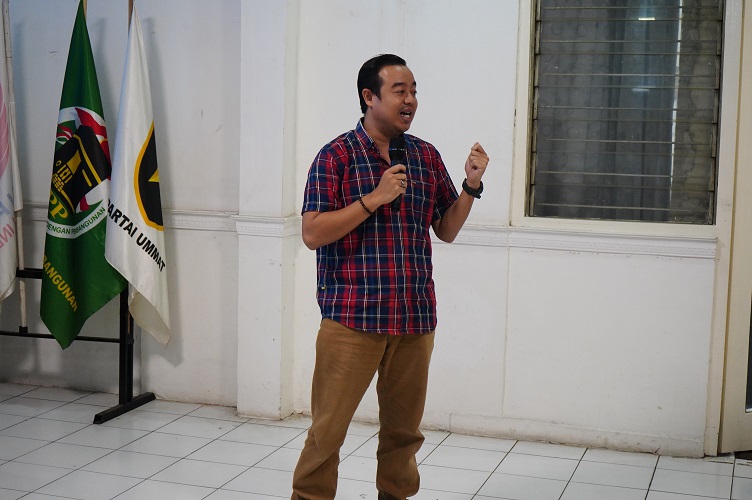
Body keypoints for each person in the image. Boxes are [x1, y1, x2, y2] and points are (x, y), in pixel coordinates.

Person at [292, 53, 489, 500]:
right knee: (326, 435)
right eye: (400, 91)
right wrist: (374, 199)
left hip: (414, 320)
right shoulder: (336, 156)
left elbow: (446, 229)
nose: (410, 100)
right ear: (369, 96)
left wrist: (470, 186)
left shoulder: (424, 155)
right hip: (352, 320)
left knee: (403, 436)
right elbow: (312, 232)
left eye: (414, 91)